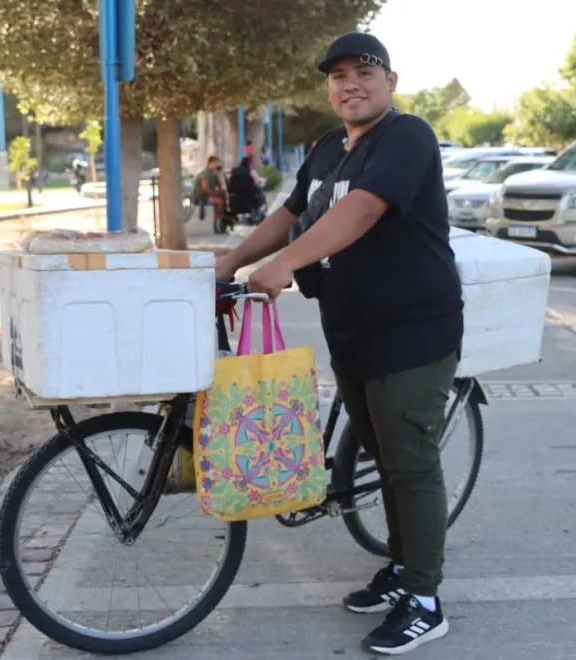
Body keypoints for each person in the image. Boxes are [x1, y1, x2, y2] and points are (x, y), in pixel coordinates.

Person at [214, 31, 462, 656]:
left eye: (365, 72)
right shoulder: (327, 147)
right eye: (338, 75)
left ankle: (426, 599)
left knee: (410, 464)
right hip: (350, 329)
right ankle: (402, 570)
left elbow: (363, 212)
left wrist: (279, 269)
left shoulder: (408, 137)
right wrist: (229, 263)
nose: (351, 83)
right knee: (381, 453)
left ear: (391, 82)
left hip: (413, 329)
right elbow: (291, 215)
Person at [193, 156, 226, 220]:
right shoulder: (205, 173)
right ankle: (217, 220)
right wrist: (217, 193)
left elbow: (220, 187)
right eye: (215, 163)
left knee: (223, 198)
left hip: (207, 196)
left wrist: (219, 175)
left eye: (217, 164)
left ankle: (218, 219)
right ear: (209, 164)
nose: (216, 165)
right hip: (201, 198)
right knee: (220, 202)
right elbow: (205, 189)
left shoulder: (213, 174)